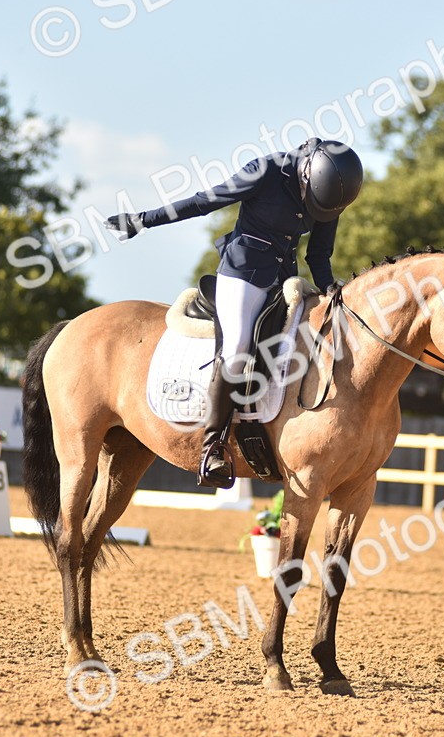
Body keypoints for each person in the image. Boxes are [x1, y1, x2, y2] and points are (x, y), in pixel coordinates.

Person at [105, 137, 364, 488]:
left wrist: (331, 287)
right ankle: (212, 447)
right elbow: (205, 202)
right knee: (238, 350)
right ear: (305, 175)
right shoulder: (266, 172)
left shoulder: (329, 194)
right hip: (243, 274)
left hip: (284, 280)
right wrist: (144, 219)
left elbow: (318, 254)